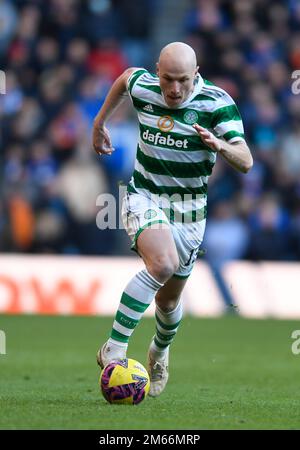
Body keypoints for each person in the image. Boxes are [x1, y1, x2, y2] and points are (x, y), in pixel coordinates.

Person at [92, 42, 253, 397]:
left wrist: (220, 146)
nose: (174, 89)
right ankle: (114, 349)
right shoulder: (146, 87)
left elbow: (246, 160)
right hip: (144, 196)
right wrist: (100, 121)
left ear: (195, 75)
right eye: (168, 79)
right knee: (163, 263)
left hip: (190, 213)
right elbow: (125, 78)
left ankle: (159, 351)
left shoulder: (216, 103)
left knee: (167, 302)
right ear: (157, 72)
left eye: (182, 80)